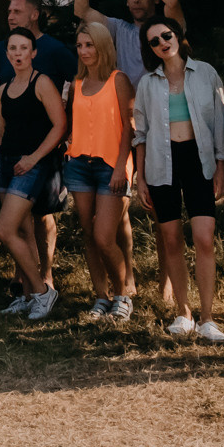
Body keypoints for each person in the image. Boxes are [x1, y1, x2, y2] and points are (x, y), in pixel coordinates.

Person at [132, 18, 224, 344]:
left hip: (199, 163)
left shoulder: (205, 74)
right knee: (171, 239)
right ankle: (183, 313)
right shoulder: (147, 83)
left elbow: (219, 123)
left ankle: (208, 318)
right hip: (161, 165)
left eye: (166, 35)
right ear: (150, 49)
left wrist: (221, 166)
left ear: (178, 36)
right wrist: (141, 177)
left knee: (203, 238)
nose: (162, 42)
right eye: (154, 40)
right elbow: (141, 135)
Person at [0, 28, 68, 321]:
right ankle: (25, 296)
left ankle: (41, 291)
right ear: (7, 53)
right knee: (21, 232)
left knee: (5, 229)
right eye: (13, 48)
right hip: (7, 163)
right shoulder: (5, 87)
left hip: (32, 163)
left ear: (33, 53)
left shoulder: (42, 82)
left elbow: (59, 126)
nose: (18, 53)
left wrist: (34, 158)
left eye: (24, 48)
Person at [67, 22, 135, 320]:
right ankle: (101, 297)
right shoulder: (77, 84)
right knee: (89, 235)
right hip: (80, 166)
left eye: (90, 45)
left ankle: (122, 295)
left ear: (103, 46)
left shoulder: (118, 80)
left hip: (113, 167)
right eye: (80, 45)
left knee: (104, 236)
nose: (84, 51)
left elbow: (129, 129)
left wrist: (122, 166)